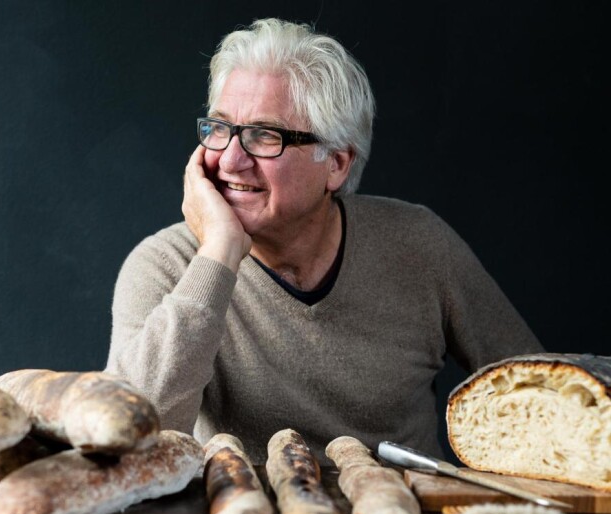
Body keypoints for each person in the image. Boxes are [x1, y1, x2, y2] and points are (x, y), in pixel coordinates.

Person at [106, 18, 542, 464]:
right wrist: (217, 254)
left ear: (336, 163)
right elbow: (129, 440)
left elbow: (543, 399)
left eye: (264, 135)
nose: (231, 160)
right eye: (219, 129)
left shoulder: (420, 246)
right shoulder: (165, 265)